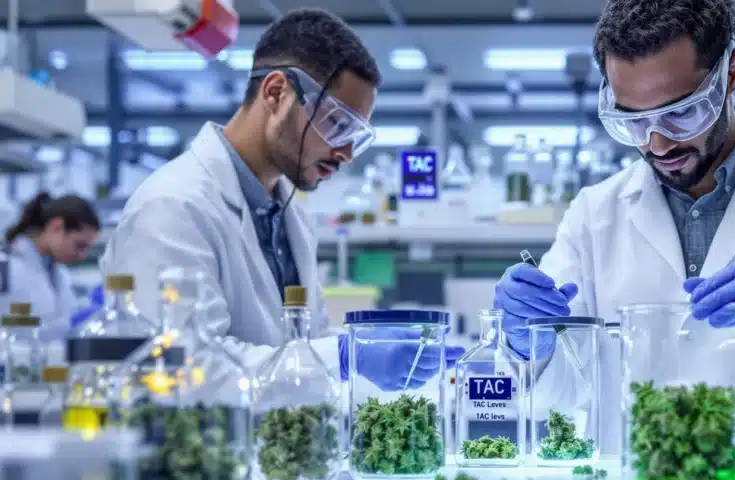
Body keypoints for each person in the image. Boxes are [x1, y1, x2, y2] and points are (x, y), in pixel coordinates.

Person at [493, 0, 735, 463]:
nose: (657, 143)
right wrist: (527, 343)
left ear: (732, 73)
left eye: (681, 113)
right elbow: (559, 393)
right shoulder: (594, 214)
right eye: (633, 121)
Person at [100, 9, 463, 387]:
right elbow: (181, 367)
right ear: (276, 93)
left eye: (356, 136)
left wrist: (355, 351)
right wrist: (343, 357)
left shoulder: (287, 214)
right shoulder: (172, 207)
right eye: (337, 124)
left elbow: (304, 348)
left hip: (272, 441)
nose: (346, 153)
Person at [2, 192, 102, 341]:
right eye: (79, 245)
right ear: (57, 226)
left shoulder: (60, 273)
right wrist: (70, 322)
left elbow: (55, 324)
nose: (81, 255)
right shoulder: (5, 266)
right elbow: (18, 333)